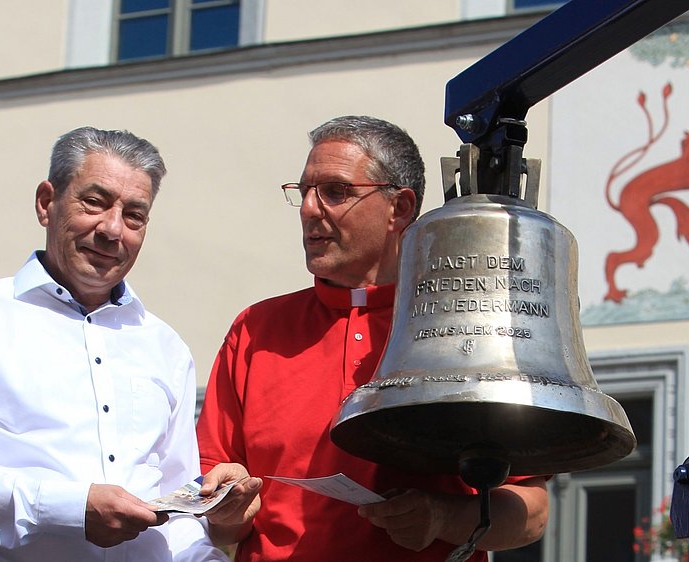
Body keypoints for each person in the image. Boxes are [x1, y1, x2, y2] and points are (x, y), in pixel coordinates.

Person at [196, 115, 549, 561]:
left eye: (334, 192)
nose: (309, 208)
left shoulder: (464, 326)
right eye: (303, 191)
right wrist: (226, 507)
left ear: (399, 208)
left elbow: (532, 513)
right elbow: (218, 516)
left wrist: (443, 518)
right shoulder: (255, 330)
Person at [0, 126, 229, 562]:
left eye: (134, 214)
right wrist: (70, 508)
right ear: (46, 203)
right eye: (95, 202)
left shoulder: (164, 345)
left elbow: (177, 511)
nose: (113, 229)